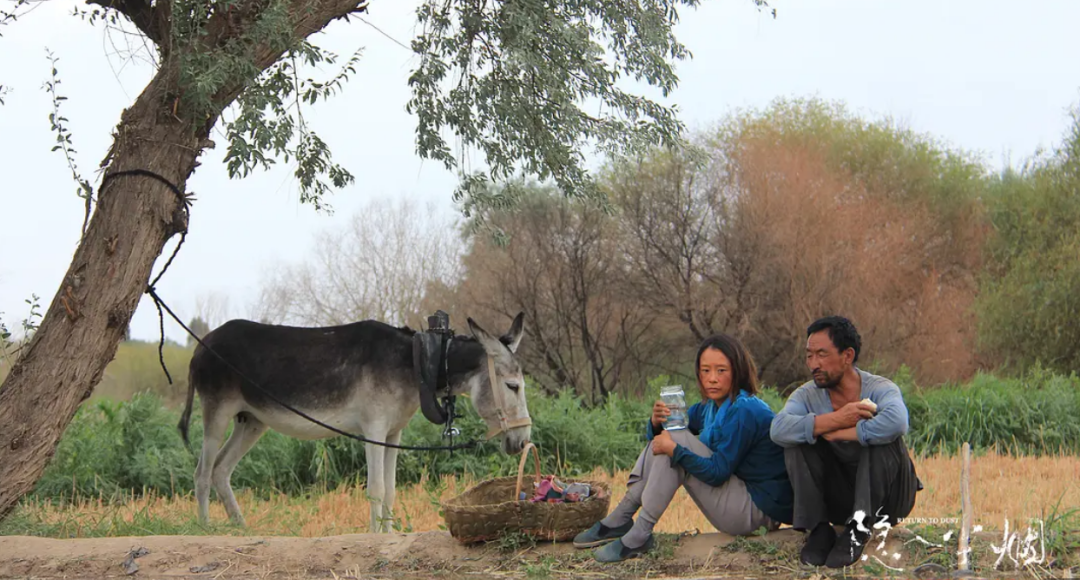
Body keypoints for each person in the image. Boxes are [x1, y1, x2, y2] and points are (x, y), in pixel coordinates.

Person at [574, 334, 794, 562]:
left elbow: (718, 473)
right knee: (671, 435)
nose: (712, 379)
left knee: (675, 441)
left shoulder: (745, 410)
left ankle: (637, 533)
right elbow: (665, 436)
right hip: (738, 498)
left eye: (721, 370)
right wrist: (656, 422)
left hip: (756, 511)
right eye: (705, 370)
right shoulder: (709, 408)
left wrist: (675, 450)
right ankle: (622, 518)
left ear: (737, 371)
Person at [770, 316, 920, 568]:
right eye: (809, 356)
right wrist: (837, 419)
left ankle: (859, 528)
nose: (813, 364)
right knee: (797, 441)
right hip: (839, 498)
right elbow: (778, 429)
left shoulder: (880, 388)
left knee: (883, 438)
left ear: (847, 355)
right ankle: (818, 530)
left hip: (889, 501)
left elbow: (897, 422)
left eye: (822, 355)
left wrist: (844, 431)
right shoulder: (806, 394)